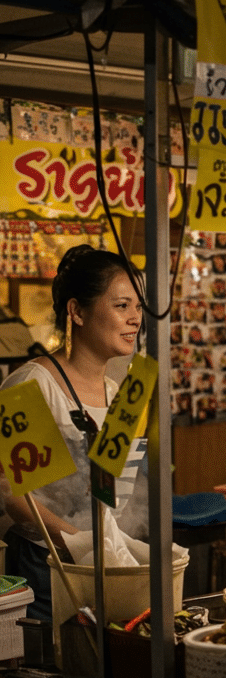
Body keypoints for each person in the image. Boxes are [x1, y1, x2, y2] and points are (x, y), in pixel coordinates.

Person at [0, 245, 145, 622]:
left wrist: (116, 546)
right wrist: (81, 544)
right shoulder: (30, 387)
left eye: (138, 307)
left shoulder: (117, 393)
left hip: (103, 564)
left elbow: (110, 490)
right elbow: (16, 498)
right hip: (44, 569)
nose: (135, 320)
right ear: (77, 311)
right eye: (121, 306)